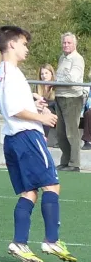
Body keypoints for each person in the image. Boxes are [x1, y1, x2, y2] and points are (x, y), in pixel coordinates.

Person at [0, 25, 77, 262]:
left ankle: (19, 243)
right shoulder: (10, 72)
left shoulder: (1, 72)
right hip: (26, 136)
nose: (26, 48)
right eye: (23, 43)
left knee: (29, 192)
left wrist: (34, 105)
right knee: (52, 186)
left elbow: (4, 108)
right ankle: (51, 241)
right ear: (11, 44)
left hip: (12, 138)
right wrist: (41, 117)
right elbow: (13, 109)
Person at [54, 32, 85, 172]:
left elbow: (73, 78)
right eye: (64, 42)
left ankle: (75, 163)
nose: (66, 45)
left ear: (75, 44)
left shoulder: (77, 59)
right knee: (60, 133)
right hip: (59, 97)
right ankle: (65, 161)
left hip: (72, 98)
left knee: (71, 132)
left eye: (69, 43)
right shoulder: (62, 58)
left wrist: (55, 82)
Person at [32, 64, 57, 145]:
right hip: (40, 110)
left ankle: (44, 137)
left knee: (47, 113)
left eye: (46, 73)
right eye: (42, 74)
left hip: (53, 111)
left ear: (51, 74)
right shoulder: (37, 86)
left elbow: (55, 103)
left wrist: (40, 98)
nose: (44, 76)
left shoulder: (56, 87)